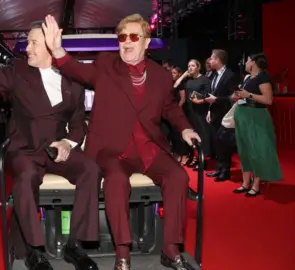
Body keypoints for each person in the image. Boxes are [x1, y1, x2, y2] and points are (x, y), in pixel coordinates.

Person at [0, 10, 100, 270]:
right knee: (25, 178)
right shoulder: (18, 71)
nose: (27, 49)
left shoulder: (74, 80)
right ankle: (35, 250)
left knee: (90, 169)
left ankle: (75, 246)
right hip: (25, 149)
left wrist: (68, 143)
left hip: (58, 150)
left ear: (50, 47)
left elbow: (79, 123)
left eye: (33, 43)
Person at [44, 14, 200, 270]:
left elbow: (170, 108)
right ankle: (122, 255)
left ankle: (171, 250)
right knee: (116, 181)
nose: (126, 42)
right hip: (112, 149)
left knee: (179, 177)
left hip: (149, 148)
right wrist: (58, 50)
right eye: (122, 37)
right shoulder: (106, 64)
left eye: (134, 36)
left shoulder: (161, 76)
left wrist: (185, 129)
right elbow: (78, 71)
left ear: (146, 42)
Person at [231, 53, 282, 197]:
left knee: (257, 150)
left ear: (253, 62)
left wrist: (248, 95)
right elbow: (245, 95)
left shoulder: (262, 77)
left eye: (247, 60)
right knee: (244, 150)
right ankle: (245, 183)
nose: (245, 63)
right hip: (243, 116)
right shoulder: (248, 78)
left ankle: (256, 185)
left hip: (256, 117)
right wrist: (238, 95)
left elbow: (268, 100)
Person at [204, 49, 238, 181]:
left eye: (212, 58)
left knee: (225, 143)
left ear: (218, 60)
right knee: (217, 142)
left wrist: (216, 100)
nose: (210, 61)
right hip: (214, 114)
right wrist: (209, 110)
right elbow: (210, 95)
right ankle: (218, 169)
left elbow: (234, 97)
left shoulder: (230, 75)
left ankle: (225, 170)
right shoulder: (212, 75)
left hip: (226, 114)